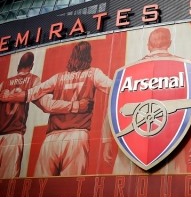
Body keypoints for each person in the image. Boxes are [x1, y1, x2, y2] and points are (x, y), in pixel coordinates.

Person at [0, 41, 112, 176]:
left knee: (41, 189)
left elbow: (32, 93)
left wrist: (8, 97)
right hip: (78, 135)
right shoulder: (94, 73)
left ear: (72, 57)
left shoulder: (57, 78)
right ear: (89, 56)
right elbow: (114, 88)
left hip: (52, 137)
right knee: (69, 189)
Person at [103, 27, 191, 173]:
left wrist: (107, 140)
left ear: (149, 46)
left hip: (131, 146)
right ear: (169, 43)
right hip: (171, 143)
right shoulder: (184, 68)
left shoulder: (127, 72)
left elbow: (111, 109)